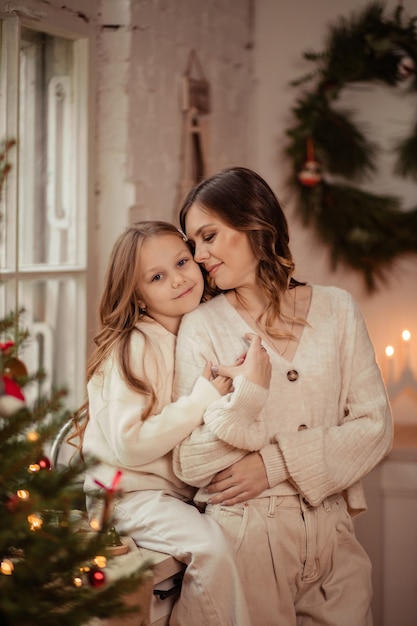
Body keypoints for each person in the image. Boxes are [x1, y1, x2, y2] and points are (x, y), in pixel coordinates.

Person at [172, 167, 393, 626]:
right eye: (192, 244)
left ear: (254, 223)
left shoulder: (337, 309)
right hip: (244, 538)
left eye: (208, 236)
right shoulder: (202, 326)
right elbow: (188, 461)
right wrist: (248, 398)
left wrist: (273, 464)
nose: (199, 255)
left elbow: (375, 427)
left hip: (334, 535)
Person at [81, 220, 272, 626]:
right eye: (156, 277)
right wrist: (204, 396)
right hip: (127, 497)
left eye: (182, 262)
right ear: (138, 296)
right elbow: (129, 445)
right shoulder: (137, 344)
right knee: (212, 549)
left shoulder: (194, 330)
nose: (178, 280)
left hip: (169, 494)